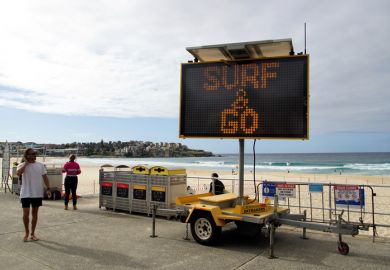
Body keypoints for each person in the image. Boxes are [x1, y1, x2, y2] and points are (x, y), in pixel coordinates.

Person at [16, 148, 51, 242]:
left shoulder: (40, 165)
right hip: (25, 193)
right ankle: (26, 233)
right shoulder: (21, 165)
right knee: (26, 214)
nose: (35, 155)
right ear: (27, 155)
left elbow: (45, 177)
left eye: (35, 153)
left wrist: (48, 189)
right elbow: (18, 173)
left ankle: (32, 234)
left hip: (37, 193)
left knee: (35, 214)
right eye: (32, 153)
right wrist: (26, 164)